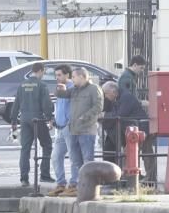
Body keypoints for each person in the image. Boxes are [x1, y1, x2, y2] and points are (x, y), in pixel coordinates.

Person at [11, 62, 54, 186]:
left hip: (24, 119)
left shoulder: (22, 85)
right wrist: (50, 117)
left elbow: (16, 104)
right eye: (43, 72)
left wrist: (13, 120)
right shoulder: (41, 85)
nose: (43, 74)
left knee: (25, 149)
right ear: (40, 71)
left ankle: (24, 178)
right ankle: (44, 174)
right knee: (47, 144)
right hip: (38, 119)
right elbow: (46, 104)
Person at [63, 67, 103, 197]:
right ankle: (80, 185)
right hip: (74, 129)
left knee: (87, 159)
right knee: (75, 160)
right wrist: (59, 89)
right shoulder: (74, 90)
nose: (72, 79)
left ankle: (89, 187)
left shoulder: (93, 89)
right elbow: (63, 95)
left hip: (86, 130)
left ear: (82, 76)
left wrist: (85, 117)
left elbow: (98, 106)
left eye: (74, 77)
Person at [101, 81, 144, 171]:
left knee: (134, 155)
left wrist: (105, 115)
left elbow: (120, 114)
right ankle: (114, 175)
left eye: (106, 94)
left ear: (113, 92)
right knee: (110, 150)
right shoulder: (116, 98)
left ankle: (135, 177)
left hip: (137, 130)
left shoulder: (126, 97)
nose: (105, 97)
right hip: (124, 130)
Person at [47, 65, 73, 196]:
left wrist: (69, 122)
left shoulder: (72, 88)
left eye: (59, 75)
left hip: (69, 127)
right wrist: (54, 120)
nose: (57, 78)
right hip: (60, 127)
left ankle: (74, 184)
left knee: (74, 157)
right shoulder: (60, 88)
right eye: (56, 75)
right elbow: (59, 107)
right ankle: (61, 184)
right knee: (56, 156)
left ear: (67, 75)